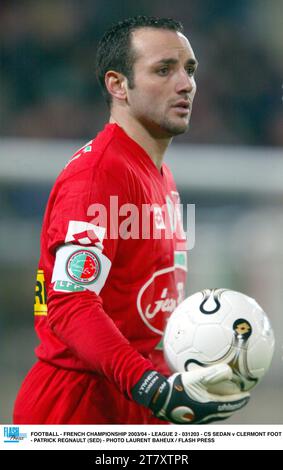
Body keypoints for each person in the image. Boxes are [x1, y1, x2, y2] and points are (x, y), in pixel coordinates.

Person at [13, 16, 249, 424]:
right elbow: (69, 304)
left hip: (135, 399)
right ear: (118, 85)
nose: (186, 84)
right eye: (163, 70)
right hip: (80, 406)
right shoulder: (98, 175)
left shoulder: (156, 173)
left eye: (189, 69)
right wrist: (149, 384)